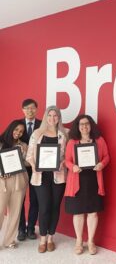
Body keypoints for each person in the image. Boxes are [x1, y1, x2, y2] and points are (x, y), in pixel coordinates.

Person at [65, 114, 109, 255]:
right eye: (81, 124)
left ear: (91, 125)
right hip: (77, 181)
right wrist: (72, 167)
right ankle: (78, 241)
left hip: (94, 181)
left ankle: (90, 241)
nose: (84, 126)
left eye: (87, 124)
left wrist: (102, 164)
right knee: (77, 213)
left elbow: (107, 156)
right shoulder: (72, 142)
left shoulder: (99, 140)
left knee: (92, 212)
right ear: (77, 127)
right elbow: (67, 160)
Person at [26, 105, 68, 253]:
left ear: (59, 117)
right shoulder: (37, 134)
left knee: (55, 207)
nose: (52, 118)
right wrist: (33, 166)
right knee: (44, 207)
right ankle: (42, 239)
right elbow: (29, 155)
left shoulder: (65, 134)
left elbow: (69, 155)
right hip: (40, 176)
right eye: (49, 115)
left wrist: (63, 162)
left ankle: (51, 238)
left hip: (59, 176)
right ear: (45, 117)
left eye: (55, 115)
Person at [0, 120, 29, 248]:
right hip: (3, 181)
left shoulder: (23, 145)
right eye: (16, 129)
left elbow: (28, 163)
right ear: (11, 128)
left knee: (15, 211)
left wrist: (23, 153)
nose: (18, 133)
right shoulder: (0, 142)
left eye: (21, 131)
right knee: (0, 211)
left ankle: (9, 240)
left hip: (19, 180)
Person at [18, 98, 41, 241]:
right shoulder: (18, 125)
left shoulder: (42, 125)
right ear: (23, 110)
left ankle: (31, 227)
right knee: (19, 199)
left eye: (32, 108)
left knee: (35, 199)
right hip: (19, 168)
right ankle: (21, 229)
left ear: (37, 109)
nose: (30, 110)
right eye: (27, 108)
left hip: (36, 167)